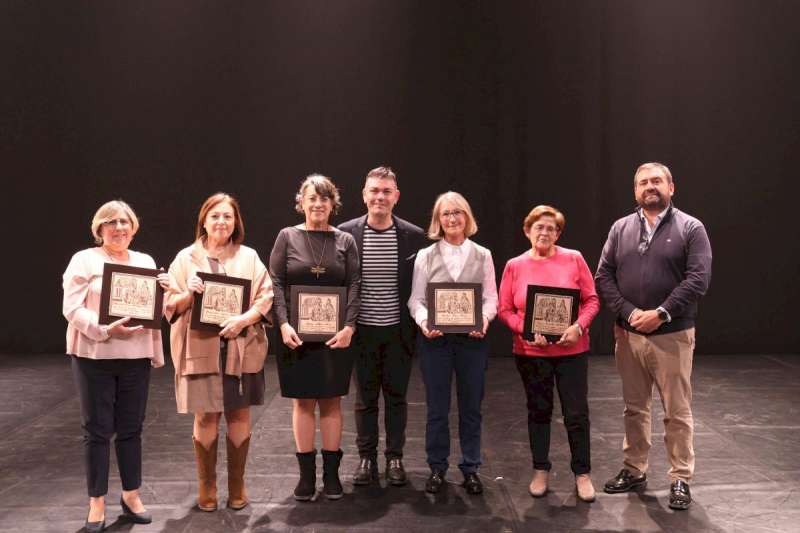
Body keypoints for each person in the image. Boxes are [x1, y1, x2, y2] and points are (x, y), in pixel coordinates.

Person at [595, 162, 712, 510]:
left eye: (656, 181)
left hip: (672, 335)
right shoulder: (620, 228)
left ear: (671, 187)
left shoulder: (691, 228)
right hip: (629, 336)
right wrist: (630, 313)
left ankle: (680, 478)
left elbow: (698, 279)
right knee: (634, 409)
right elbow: (604, 276)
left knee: (676, 411)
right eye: (643, 182)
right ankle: (634, 469)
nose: (650, 186)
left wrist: (661, 313)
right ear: (635, 191)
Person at [63, 200, 168, 532]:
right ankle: (96, 501)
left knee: (131, 428)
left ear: (133, 228)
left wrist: (164, 292)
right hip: (95, 355)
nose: (119, 227)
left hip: (135, 355)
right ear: (99, 229)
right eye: (112, 222)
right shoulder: (84, 259)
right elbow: (71, 308)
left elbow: (151, 312)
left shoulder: (145, 261)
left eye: (125, 222)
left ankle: (131, 494)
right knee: (96, 430)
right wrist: (106, 329)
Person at [165, 193, 273, 512]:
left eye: (228, 216)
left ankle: (237, 485)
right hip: (200, 348)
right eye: (215, 216)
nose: (222, 222)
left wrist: (244, 320)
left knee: (239, 413)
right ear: (204, 220)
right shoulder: (186, 258)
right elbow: (168, 304)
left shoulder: (249, 256)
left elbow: (265, 297)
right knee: (206, 414)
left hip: (242, 347)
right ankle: (207, 486)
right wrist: (189, 293)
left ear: (235, 221)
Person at [497, 205, 600, 502]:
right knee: (538, 412)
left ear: (558, 233)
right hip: (531, 352)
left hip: (572, 350)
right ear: (527, 231)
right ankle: (540, 469)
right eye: (538, 227)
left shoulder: (574, 258)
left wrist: (578, 327)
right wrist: (526, 330)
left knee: (577, 414)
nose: (545, 232)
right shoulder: (515, 265)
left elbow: (591, 301)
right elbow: (505, 310)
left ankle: (582, 474)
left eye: (551, 228)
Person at [269, 174, 361, 501]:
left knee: (332, 401)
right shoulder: (287, 237)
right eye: (312, 198)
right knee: (303, 402)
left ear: (332, 204)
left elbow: (354, 285)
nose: (318, 204)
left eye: (324, 199)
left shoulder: (345, 241)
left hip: (337, 336)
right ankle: (306, 477)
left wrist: (350, 326)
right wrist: (282, 324)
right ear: (302, 202)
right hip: (295, 335)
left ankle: (332, 476)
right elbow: (275, 283)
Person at [338, 166, 426, 486]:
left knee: (397, 397)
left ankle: (395, 458)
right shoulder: (345, 234)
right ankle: (366, 458)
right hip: (360, 331)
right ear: (364, 195)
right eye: (374, 190)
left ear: (396, 196)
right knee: (364, 398)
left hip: (398, 331)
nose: (380, 196)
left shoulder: (414, 236)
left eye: (386, 191)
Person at [408, 191, 498, 495]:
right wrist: (424, 322)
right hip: (436, 343)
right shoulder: (425, 256)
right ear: (438, 220)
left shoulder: (483, 254)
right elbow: (416, 300)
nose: (452, 218)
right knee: (437, 408)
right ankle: (437, 467)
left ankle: (471, 467)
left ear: (467, 216)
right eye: (446, 213)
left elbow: (490, 298)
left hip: (472, 342)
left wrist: (483, 320)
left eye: (458, 212)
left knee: (471, 407)